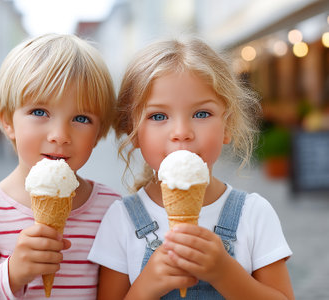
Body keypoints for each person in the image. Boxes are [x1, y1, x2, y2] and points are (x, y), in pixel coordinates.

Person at [88, 37, 294, 299]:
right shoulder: (121, 220)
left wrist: (225, 273)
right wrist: (146, 286)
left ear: (227, 126)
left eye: (201, 114)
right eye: (158, 116)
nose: (182, 133)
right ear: (134, 132)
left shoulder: (253, 214)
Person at [0, 33, 120, 299]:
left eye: (81, 118)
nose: (59, 134)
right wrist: (11, 274)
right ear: (7, 121)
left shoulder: (112, 209)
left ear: (99, 132)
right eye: (39, 112)